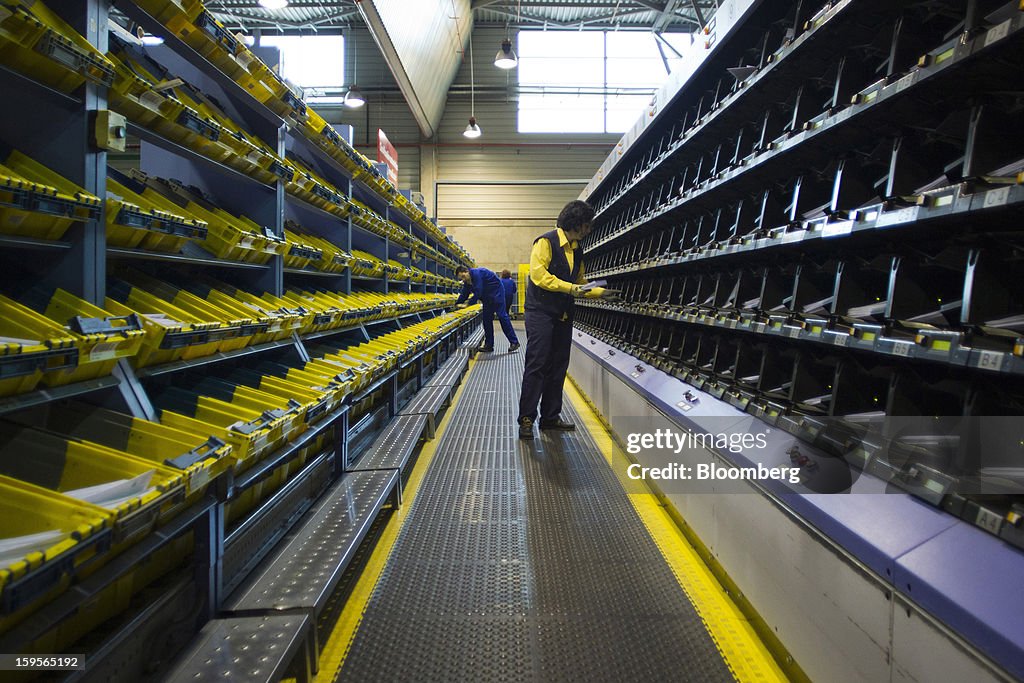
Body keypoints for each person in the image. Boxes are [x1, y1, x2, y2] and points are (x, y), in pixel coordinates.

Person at [517, 200, 619, 440]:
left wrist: (599, 293)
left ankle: (550, 418)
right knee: (538, 364)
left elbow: (580, 283)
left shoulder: (577, 250)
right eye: (587, 225)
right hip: (540, 312)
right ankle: (526, 419)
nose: (589, 230)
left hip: (563, 314)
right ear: (578, 224)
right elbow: (539, 276)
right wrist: (572, 289)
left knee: (559, 365)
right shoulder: (546, 242)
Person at [455, 265, 520, 353]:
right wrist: (456, 304)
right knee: (486, 320)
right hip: (486, 298)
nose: (463, 279)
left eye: (463, 276)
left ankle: (514, 342)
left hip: (497, 294)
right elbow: (464, 294)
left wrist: (468, 304)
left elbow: (478, 290)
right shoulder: (467, 282)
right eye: (461, 279)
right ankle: (489, 345)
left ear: (467, 271)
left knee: (502, 316)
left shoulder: (477, 273)